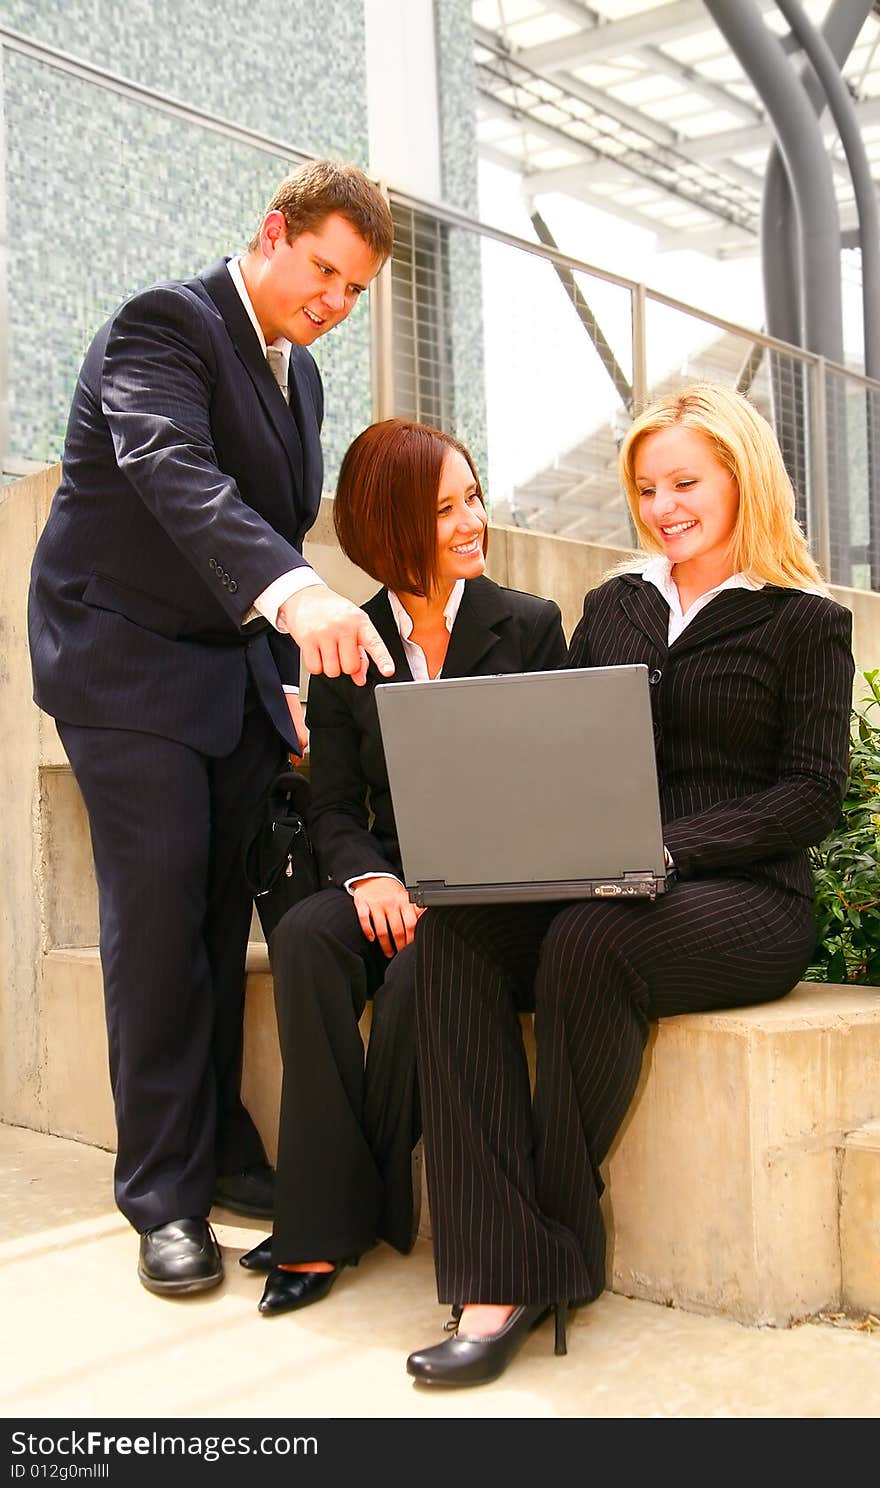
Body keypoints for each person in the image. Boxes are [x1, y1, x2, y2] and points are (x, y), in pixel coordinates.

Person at [405, 381, 855, 1387]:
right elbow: (561, 749)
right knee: (454, 939)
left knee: (587, 943)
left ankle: (552, 1245)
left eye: (684, 481)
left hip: (744, 897)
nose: (663, 505)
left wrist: (668, 852)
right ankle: (496, 1262)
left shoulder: (804, 622)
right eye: (646, 486)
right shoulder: (612, 604)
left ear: (741, 477)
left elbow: (806, 800)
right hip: (607, 881)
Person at [27, 159, 396, 1297]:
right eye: (322, 271)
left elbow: (267, 521)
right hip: (122, 664)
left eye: (353, 291)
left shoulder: (303, 382)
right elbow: (173, 473)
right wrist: (298, 599)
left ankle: (223, 1148)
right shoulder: (163, 325)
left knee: (212, 926)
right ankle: (162, 1198)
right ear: (273, 232)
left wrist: (280, 672)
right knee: (155, 921)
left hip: (228, 674)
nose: (331, 302)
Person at [237, 417, 567, 1316]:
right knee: (307, 935)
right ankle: (337, 1210)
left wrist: (449, 892)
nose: (471, 522)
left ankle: (323, 1220)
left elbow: (549, 794)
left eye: (472, 498)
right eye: (443, 509)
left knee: (429, 973)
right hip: (386, 881)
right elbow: (336, 805)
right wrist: (368, 878)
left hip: (489, 894)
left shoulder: (531, 627)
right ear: (389, 530)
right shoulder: (348, 640)